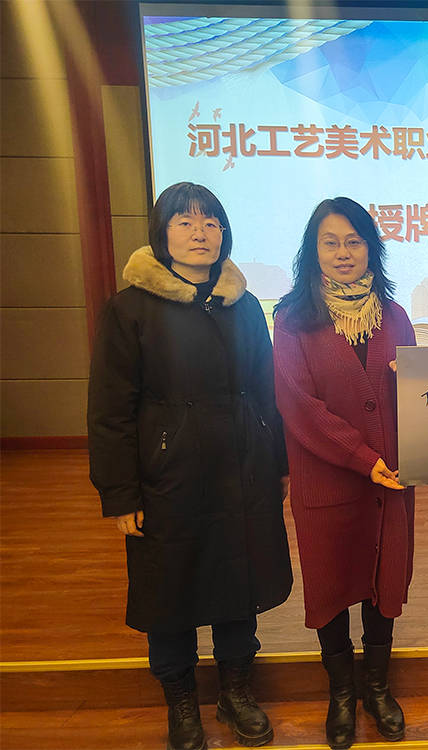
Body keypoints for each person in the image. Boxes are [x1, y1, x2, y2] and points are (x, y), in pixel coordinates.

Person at [88, 182, 293, 750]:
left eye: (210, 222)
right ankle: (181, 706)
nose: (200, 233)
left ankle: (235, 693)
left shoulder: (242, 304)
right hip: (166, 477)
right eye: (184, 222)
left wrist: (277, 460)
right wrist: (120, 493)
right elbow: (110, 410)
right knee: (168, 592)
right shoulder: (130, 309)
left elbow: (266, 388)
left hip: (242, 468)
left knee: (239, 581)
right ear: (162, 234)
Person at [272, 197, 416, 749]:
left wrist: (416, 384)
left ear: (371, 249)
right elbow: (298, 404)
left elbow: (423, 397)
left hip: (392, 479)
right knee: (331, 584)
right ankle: (340, 693)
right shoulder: (292, 319)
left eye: (354, 241)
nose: (343, 252)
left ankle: (376, 688)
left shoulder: (395, 316)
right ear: (312, 251)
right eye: (330, 242)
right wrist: (363, 458)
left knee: (384, 581)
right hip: (327, 481)